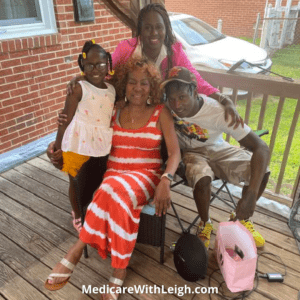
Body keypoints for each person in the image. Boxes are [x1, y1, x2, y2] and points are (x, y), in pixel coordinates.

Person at [44, 57, 181, 299]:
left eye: (144, 83)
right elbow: (84, 123)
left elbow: (174, 153)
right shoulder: (113, 109)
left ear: (152, 87)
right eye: (131, 83)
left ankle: (76, 250)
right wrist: (59, 143)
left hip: (145, 176)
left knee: (111, 190)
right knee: (112, 191)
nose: (137, 88)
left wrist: (166, 179)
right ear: (123, 85)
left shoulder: (161, 113)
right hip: (114, 175)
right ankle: (118, 273)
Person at [66, 3, 243, 127]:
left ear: (166, 29)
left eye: (159, 27)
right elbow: (105, 75)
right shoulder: (126, 49)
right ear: (140, 30)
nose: (154, 32)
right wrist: (82, 78)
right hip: (127, 110)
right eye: (148, 27)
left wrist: (224, 99)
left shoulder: (174, 51)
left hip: (160, 112)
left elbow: (195, 79)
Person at [160, 66, 270, 249]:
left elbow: (261, 147)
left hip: (217, 149)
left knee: (262, 171)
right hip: (190, 154)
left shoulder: (218, 112)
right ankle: (205, 222)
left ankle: (240, 219)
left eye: (182, 97)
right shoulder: (166, 109)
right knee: (202, 178)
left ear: (195, 92)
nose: (177, 105)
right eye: (172, 99)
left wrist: (251, 195)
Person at [50, 40, 116, 232]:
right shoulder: (78, 88)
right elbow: (65, 119)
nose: (95, 69)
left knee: (96, 181)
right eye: (90, 65)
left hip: (100, 144)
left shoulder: (112, 90)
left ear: (107, 65)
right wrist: (58, 146)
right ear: (83, 66)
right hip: (77, 142)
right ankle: (78, 215)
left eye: (100, 64)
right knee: (75, 182)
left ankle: (94, 211)